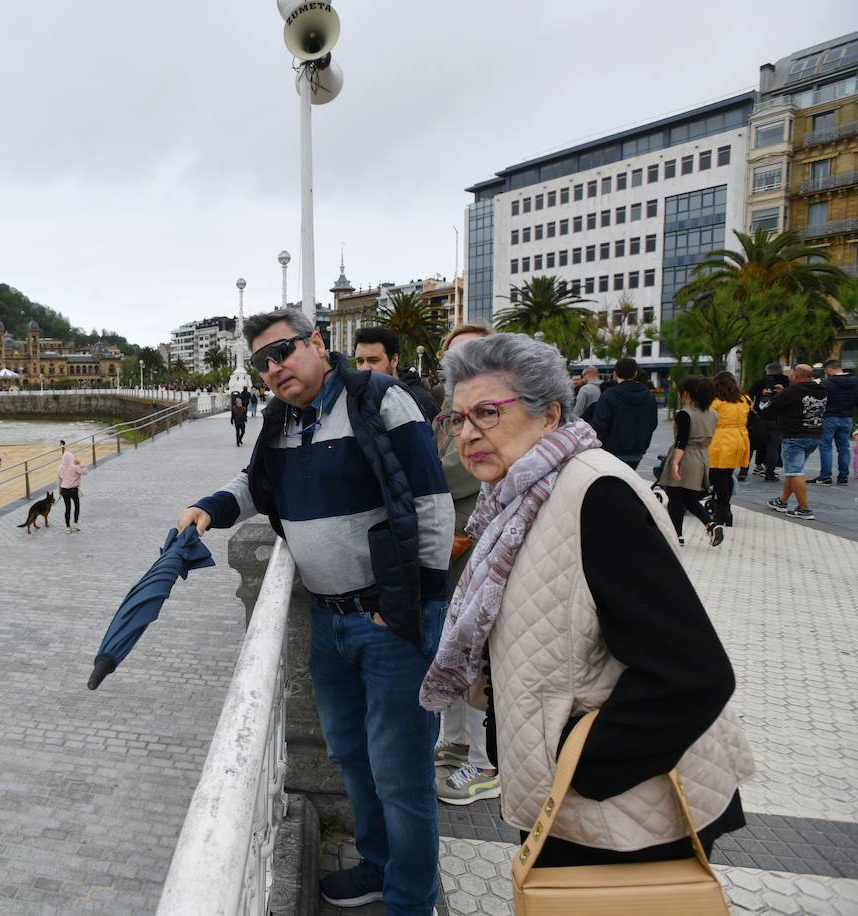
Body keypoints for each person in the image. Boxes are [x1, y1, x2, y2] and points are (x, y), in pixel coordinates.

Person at [420, 332, 753, 871]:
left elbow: (694, 676)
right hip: (577, 802)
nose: (467, 434)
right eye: (457, 419)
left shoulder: (596, 495)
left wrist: (577, 770)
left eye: (486, 412)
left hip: (626, 813)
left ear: (549, 415)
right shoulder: (517, 497)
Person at [176, 308, 453, 914]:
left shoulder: (382, 401)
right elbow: (255, 485)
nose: (274, 368)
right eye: (262, 362)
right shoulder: (279, 421)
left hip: (390, 619)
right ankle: (379, 866)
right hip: (328, 621)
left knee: (402, 772)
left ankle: (413, 899)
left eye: (284, 352)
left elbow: (433, 506)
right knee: (351, 754)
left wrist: (413, 605)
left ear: (320, 343)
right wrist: (208, 508)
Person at [429, 322, 501, 807]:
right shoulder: (443, 418)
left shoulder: (503, 413)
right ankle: (452, 743)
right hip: (448, 551)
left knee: (480, 656)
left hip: (483, 549)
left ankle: (486, 760)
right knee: (451, 647)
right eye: (453, 358)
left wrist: (467, 533)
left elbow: (483, 479)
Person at [656, 376, 723, 547]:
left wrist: (675, 463)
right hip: (702, 457)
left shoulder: (685, 414)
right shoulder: (713, 413)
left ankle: (677, 535)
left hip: (686, 456)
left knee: (675, 497)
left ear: (687, 394)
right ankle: (711, 525)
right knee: (687, 497)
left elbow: (682, 441)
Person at [760, 363, 827, 520]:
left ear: (796, 376)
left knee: (795, 472)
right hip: (815, 434)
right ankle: (782, 501)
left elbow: (768, 409)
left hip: (795, 436)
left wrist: (770, 396)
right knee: (793, 471)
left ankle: (805, 509)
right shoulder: (821, 390)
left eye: (791, 374)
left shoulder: (793, 391)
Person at [589, 357, 657, 468]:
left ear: (615, 373)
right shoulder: (648, 395)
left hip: (611, 451)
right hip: (637, 452)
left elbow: (599, 425)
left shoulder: (609, 395)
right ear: (635, 373)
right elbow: (653, 423)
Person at [707, 372, 750, 527]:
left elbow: (709, 419)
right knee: (727, 475)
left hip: (721, 438)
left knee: (716, 476)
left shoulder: (716, 401)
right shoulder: (744, 399)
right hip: (739, 437)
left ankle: (722, 510)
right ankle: (726, 509)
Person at [815, 359, 856, 485]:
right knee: (844, 448)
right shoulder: (855, 381)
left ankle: (825, 476)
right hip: (847, 417)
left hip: (829, 417)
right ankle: (843, 476)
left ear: (829, 369)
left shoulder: (825, 383)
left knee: (826, 447)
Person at [748, 363, 789, 480]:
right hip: (778, 418)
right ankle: (770, 471)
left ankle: (746, 470)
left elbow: (749, 396)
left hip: (760, 417)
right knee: (774, 446)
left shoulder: (760, 382)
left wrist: (761, 394)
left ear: (767, 371)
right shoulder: (786, 383)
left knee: (756, 443)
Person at [57, 450, 89, 532]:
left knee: (67, 508)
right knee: (77, 505)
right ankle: (75, 523)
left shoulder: (60, 467)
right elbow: (85, 472)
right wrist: (80, 463)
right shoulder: (74, 467)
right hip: (73, 490)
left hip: (64, 490)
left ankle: (67, 527)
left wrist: (59, 490)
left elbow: (59, 480)